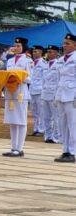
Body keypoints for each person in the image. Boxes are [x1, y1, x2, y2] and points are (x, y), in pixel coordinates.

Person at [3, 37, 32, 157]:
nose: (16, 48)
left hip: (20, 92)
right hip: (10, 92)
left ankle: (19, 148)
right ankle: (13, 147)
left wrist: (19, 77)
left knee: (21, 121)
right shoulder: (9, 61)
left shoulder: (28, 61)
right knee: (12, 121)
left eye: (18, 46)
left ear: (24, 48)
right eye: (14, 45)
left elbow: (31, 78)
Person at [53, 33, 76, 163]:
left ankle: (73, 152)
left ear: (75, 45)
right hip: (62, 94)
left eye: (67, 43)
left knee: (73, 125)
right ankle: (65, 150)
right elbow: (58, 79)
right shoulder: (61, 60)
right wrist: (56, 95)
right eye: (64, 43)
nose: (64, 46)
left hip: (72, 95)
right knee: (63, 124)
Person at [42, 45, 61, 144]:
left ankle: (56, 137)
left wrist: (58, 95)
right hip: (45, 93)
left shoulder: (59, 64)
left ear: (56, 53)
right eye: (48, 52)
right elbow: (43, 80)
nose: (48, 54)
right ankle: (48, 136)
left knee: (56, 117)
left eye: (51, 52)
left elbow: (59, 80)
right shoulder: (45, 64)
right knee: (46, 117)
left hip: (54, 93)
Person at [29, 45, 46, 137]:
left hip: (40, 90)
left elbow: (45, 78)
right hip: (32, 89)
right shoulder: (31, 63)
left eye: (36, 51)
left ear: (41, 53)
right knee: (34, 111)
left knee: (41, 111)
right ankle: (36, 128)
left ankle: (41, 129)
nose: (34, 53)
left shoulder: (43, 63)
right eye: (33, 51)